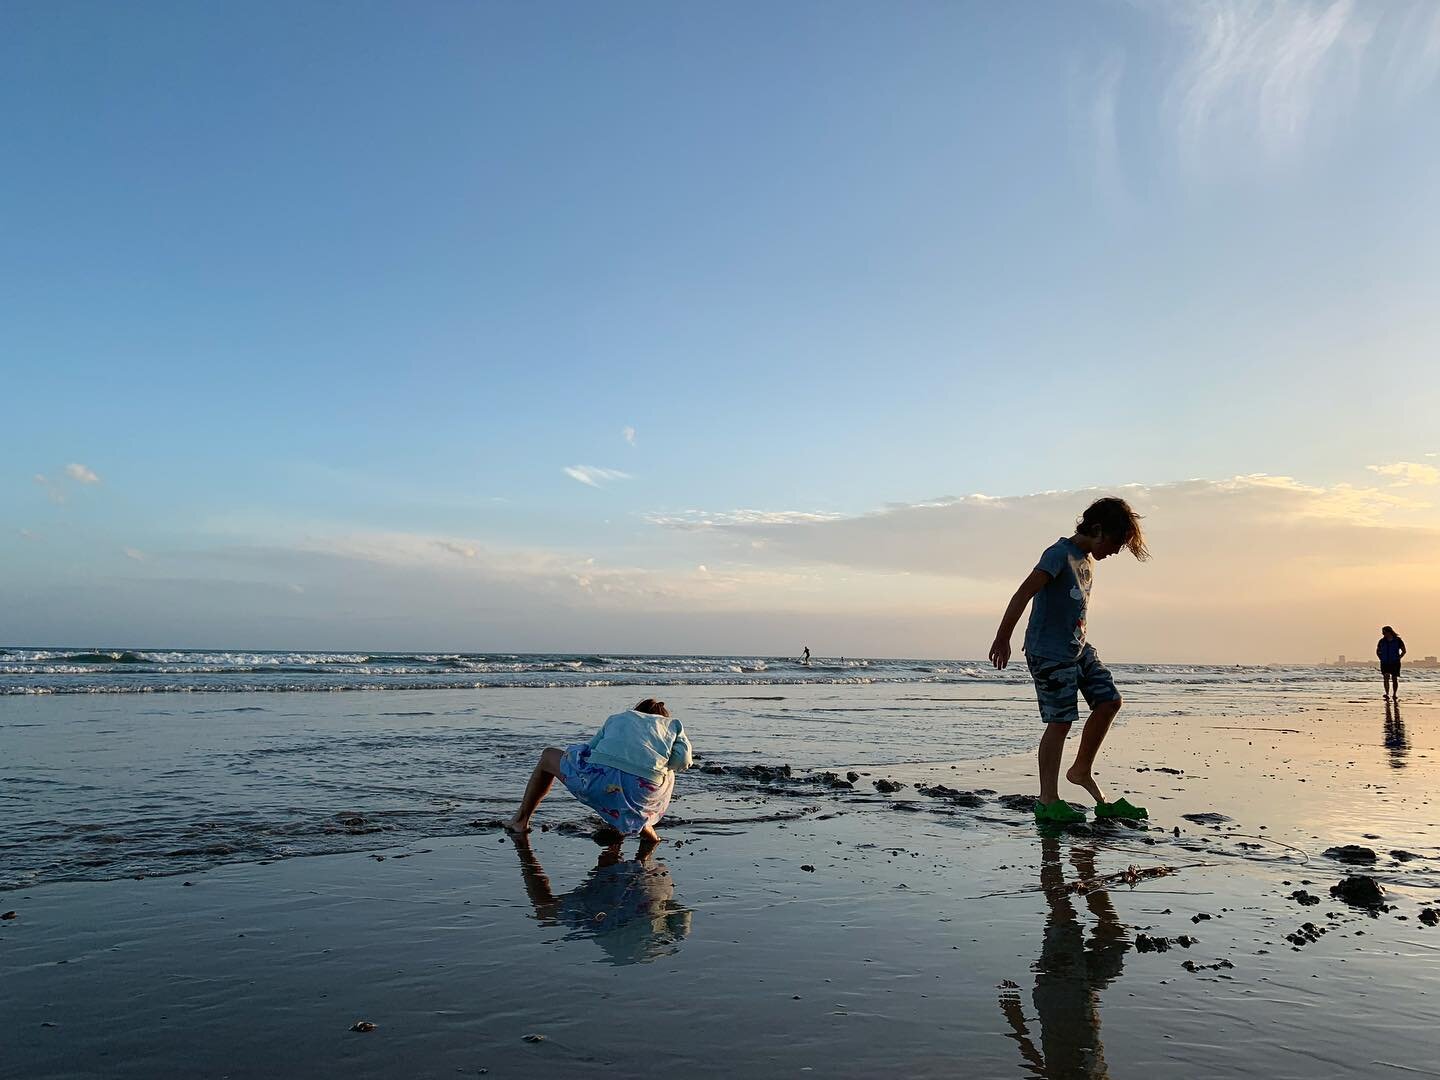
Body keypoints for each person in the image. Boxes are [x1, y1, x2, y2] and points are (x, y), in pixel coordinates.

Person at [988, 497, 1151, 825]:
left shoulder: (1087, 560)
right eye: (1116, 543)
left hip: (1077, 649)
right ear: (1097, 529)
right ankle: (1048, 800)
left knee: (1109, 701)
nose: (1117, 551)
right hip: (1048, 652)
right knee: (1060, 721)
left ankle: (1080, 770)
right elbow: (1022, 594)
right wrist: (1003, 638)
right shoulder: (1058, 555)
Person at [505, 698, 692, 843]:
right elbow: (683, 762)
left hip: (598, 785)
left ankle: (521, 820)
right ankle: (643, 824)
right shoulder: (674, 725)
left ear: (637, 710)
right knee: (666, 772)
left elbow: (591, 750)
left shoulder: (619, 718)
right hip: (641, 795)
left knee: (548, 756)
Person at [508, 831, 692, 965]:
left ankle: (641, 844)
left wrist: (663, 904)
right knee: (545, 912)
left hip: (658, 881)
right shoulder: (611, 941)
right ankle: (524, 852)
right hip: (618, 905)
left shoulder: (661, 946)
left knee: (639, 878)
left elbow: (683, 916)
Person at [1377, 625, 1406, 700]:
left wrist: (1399, 657)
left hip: (1395, 662)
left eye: (1384, 632)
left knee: (1394, 678)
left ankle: (1394, 694)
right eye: (1382, 632)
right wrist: (1381, 658)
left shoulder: (1398, 640)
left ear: (1389, 632)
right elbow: (1378, 651)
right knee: (1386, 677)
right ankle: (1387, 693)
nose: (1383, 634)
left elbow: (1404, 651)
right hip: (1385, 662)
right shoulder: (1382, 641)